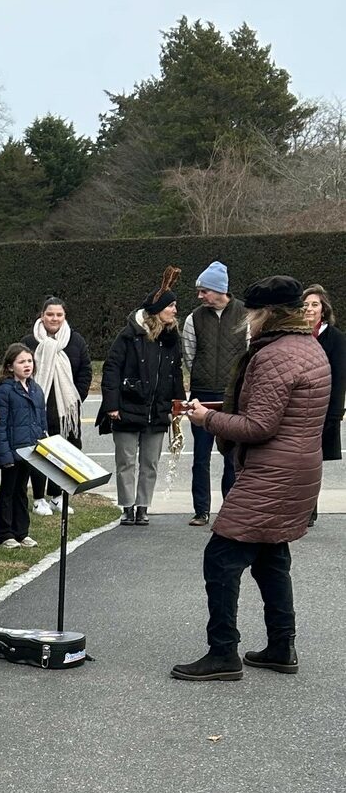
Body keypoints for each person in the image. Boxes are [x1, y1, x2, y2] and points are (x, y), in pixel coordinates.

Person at [174, 275, 331, 682]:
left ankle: (223, 652)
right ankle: (282, 646)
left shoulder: (275, 354)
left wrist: (207, 418)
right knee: (271, 557)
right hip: (299, 468)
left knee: (221, 559)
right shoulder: (309, 346)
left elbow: (259, 425)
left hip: (272, 471)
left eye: (253, 313)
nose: (248, 321)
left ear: (267, 314)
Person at [99, 266, 185, 527]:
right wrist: (111, 405)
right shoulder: (129, 336)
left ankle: (143, 506)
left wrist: (177, 404)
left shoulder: (171, 339)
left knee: (150, 462)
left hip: (157, 411)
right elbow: (111, 368)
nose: (174, 311)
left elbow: (175, 373)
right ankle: (126, 506)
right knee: (126, 460)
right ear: (158, 308)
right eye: (171, 306)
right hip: (128, 407)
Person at [180, 261, 248, 527]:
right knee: (201, 456)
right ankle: (201, 510)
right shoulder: (193, 318)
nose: (200, 296)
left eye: (204, 290)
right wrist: (201, 376)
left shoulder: (244, 313)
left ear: (219, 289)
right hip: (202, 394)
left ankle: (230, 508)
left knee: (232, 456)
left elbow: (249, 351)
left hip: (233, 397)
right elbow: (189, 354)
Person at [21, 297, 92, 515]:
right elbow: (20, 369)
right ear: (42, 316)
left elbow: (85, 372)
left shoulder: (75, 341)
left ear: (64, 317)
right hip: (38, 409)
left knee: (64, 452)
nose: (54, 318)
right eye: (50, 314)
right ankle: (39, 499)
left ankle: (58, 496)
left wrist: (74, 398)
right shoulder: (30, 341)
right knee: (40, 452)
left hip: (65, 412)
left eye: (59, 314)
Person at [0, 345, 48, 549]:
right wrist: (4, 455)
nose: (27, 365)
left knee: (22, 491)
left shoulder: (36, 389)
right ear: (9, 366)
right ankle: (4, 532)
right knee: (8, 491)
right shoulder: (4, 391)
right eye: (21, 362)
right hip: (12, 451)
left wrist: (43, 444)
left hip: (30, 451)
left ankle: (21, 531)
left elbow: (41, 421)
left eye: (29, 361)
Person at [300, 284, 346, 525]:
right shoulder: (295, 335)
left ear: (324, 310)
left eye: (314, 304)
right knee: (296, 460)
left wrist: (335, 413)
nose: (309, 308)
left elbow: (339, 378)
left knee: (313, 462)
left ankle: (310, 510)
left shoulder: (336, 338)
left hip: (324, 409)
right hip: (298, 410)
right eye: (305, 304)